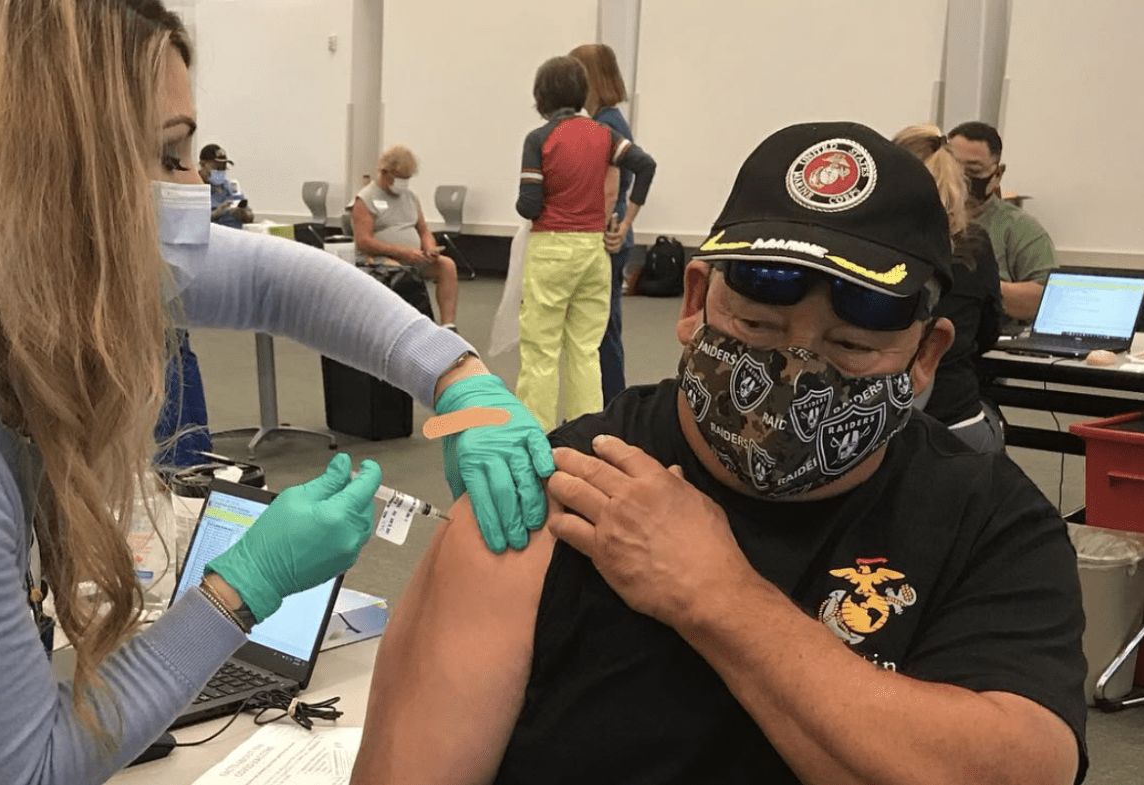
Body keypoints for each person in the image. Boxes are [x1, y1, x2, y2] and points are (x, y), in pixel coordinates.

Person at [0, 2, 553, 782]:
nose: (195, 188)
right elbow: (34, 766)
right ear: (49, 175)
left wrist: (456, 377)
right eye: (171, 155)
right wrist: (244, 586)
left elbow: (277, 286)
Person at [354, 122, 1087, 785]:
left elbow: (1020, 769)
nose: (795, 370)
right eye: (758, 325)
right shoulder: (556, 491)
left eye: (850, 346)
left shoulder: (987, 520)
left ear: (924, 355)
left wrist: (718, 598)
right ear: (693, 299)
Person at [515, 55, 655, 432]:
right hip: (594, 250)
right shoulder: (605, 135)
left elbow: (529, 205)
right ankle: (586, 432)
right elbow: (646, 165)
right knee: (584, 349)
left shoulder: (539, 139)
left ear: (541, 95)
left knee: (541, 350)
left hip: (552, 251)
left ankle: (535, 434)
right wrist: (626, 221)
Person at [893, 124, 1005, 452]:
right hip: (955, 422)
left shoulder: (868, 245)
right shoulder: (974, 244)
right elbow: (987, 334)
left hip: (875, 425)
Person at [569, 43, 641, 407]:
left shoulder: (607, 124)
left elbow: (610, 186)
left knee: (600, 329)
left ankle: (610, 407)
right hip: (610, 232)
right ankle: (604, 405)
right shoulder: (607, 121)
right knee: (600, 326)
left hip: (604, 236)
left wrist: (620, 221)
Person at [947, 121, 1057, 325]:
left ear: (997, 174)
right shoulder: (924, 216)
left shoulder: (1021, 228)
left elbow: (1048, 297)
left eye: (973, 170)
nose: (960, 178)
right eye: (952, 167)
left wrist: (976, 285)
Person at [351, 145, 459, 328]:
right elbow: (363, 242)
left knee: (447, 266)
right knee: (401, 273)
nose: (404, 182)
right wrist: (402, 252)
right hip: (378, 260)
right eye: (400, 178)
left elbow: (423, 230)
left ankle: (448, 326)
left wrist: (429, 247)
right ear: (385, 173)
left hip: (412, 257)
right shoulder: (365, 199)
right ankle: (411, 327)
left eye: (407, 179)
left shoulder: (410, 197)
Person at [198, 143, 254, 228]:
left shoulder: (227, 185)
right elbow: (191, 221)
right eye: (216, 169)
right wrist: (214, 214)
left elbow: (250, 216)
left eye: (223, 169)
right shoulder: (193, 187)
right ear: (202, 164)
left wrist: (244, 214)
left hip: (235, 234)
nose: (220, 173)